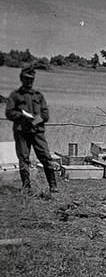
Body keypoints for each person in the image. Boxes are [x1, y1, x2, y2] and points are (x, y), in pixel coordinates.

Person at [5, 64, 58, 194]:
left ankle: (53, 185)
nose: (29, 81)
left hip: (37, 132)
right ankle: (26, 187)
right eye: (26, 78)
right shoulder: (15, 95)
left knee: (45, 157)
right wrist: (23, 116)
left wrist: (34, 121)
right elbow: (9, 113)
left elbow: (45, 114)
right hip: (21, 132)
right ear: (21, 78)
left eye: (31, 79)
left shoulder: (38, 96)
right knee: (24, 158)